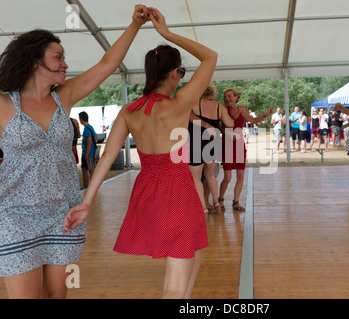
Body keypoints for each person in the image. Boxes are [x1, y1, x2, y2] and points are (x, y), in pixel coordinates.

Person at [64, 8, 218, 299]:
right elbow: (211, 57)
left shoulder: (129, 111)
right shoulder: (179, 103)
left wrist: (87, 201)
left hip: (148, 192)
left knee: (193, 255)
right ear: (175, 73)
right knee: (175, 280)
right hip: (178, 191)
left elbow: (107, 157)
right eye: (181, 73)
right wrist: (167, 33)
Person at [0, 5, 148, 299]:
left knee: (57, 296)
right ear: (34, 61)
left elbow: (107, 65)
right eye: (59, 57)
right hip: (14, 217)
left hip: (63, 214)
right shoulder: (4, 105)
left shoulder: (63, 97)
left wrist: (135, 24)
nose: (66, 64)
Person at [219, 89, 272, 212]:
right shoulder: (223, 110)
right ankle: (220, 200)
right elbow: (227, 123)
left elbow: (253, 121)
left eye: (229, 96)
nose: (227, 98)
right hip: (227, 144)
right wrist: (236, 113)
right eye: (225, 96)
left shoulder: (242, 111)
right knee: (227, 177)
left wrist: (266, 114)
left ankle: (235, 202)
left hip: (239, 145)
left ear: (236, 97)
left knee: (240, 176)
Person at [188, 83, 235, 216]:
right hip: (214, 142)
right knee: (210, 175)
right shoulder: (219, 107)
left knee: (196, 177)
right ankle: (216, 202)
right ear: (212, 94)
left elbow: (185, 115)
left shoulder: (194, 103)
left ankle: (203, 208)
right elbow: (230, 124)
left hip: (197, 142)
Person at [78, 111, 97, 188]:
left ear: (81, 119)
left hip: (87, 153)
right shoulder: (90, 127)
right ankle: (90, 187)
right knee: (89, 170)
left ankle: (87, 187)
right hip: (91, 153)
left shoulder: (86, 129)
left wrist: (86, 154)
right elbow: (95, 136)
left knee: (87, 171)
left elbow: (89, 142)